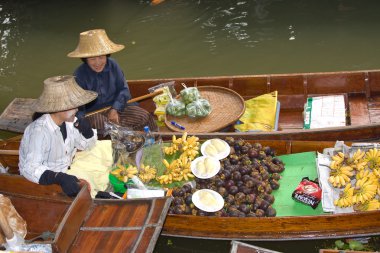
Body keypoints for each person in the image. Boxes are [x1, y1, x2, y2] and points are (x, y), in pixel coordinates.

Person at [19, 75, 98, 197]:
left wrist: (88, 132)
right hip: (48, 182)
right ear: (59, 109)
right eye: (73, 106)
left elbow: (88, 146)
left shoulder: (70, 122)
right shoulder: (39, 132)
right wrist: (58, 177)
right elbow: (29, 168)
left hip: (68, 169)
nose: (77, 110)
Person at [67, 29, 157, 132]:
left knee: (143, 115)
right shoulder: (79, 75)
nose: (97, 63)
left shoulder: (113, 65)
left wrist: (115, 109)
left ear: (106, 55)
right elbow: (78, 107)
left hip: (117, 106)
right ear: (85, 59)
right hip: (94, 113)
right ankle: (126, 138)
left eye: (101, 57)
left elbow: (124, 90)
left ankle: (152, 140)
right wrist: (78, 120)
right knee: (103, 125)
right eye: (92, 59)